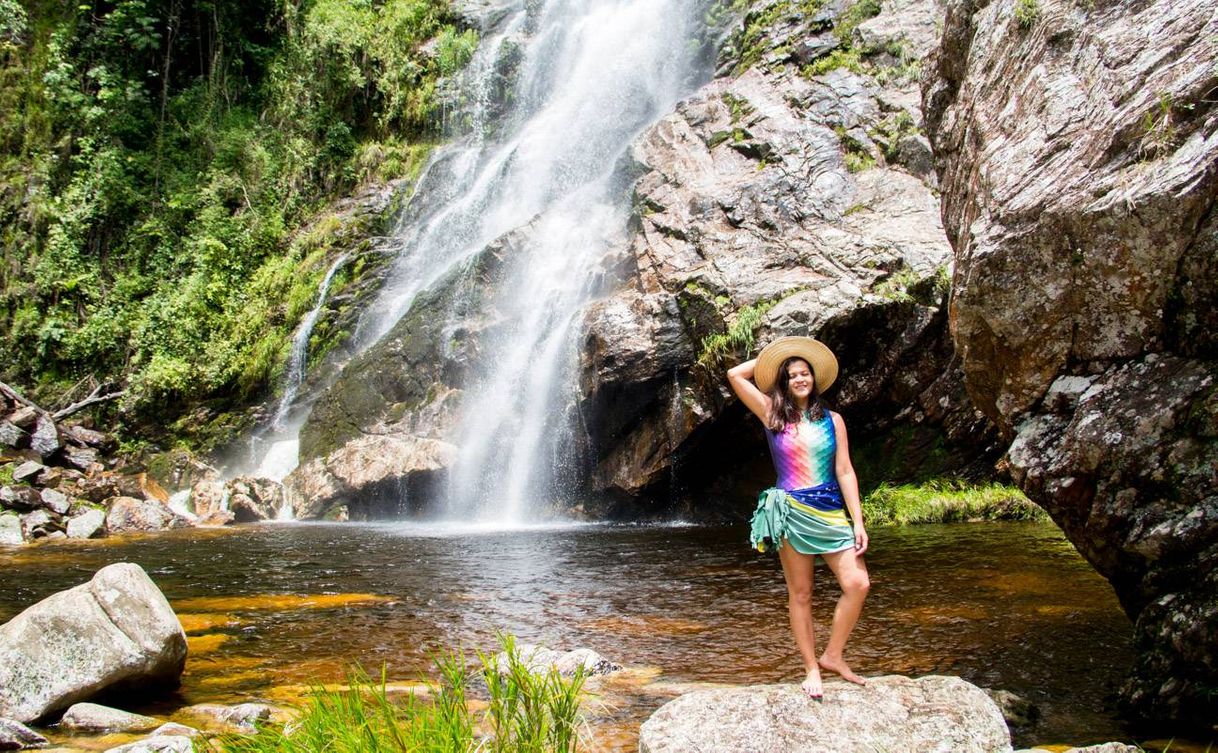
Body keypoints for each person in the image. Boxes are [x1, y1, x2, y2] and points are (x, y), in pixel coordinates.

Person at [727, 336, 870, 701]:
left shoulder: (833, 420)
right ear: (784, 382)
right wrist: (776, 353)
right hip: (791, 511)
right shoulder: (771, 413)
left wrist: (858, 520)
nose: (800, 379)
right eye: (792, 375)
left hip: (830, 511)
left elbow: (845, 471)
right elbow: (735, 375)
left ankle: (833, 655)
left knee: (857, 583)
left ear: (814, 378)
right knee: (801, 593)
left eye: (805, 372)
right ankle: (811, 668)